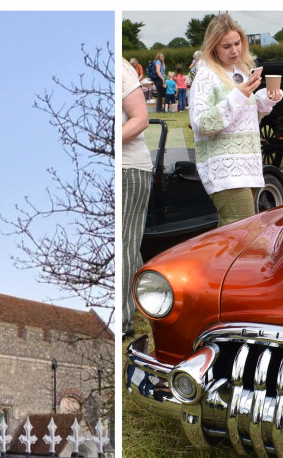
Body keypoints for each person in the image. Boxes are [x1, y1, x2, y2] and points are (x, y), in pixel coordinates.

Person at [189, 14, 282, 227]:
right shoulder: (206, 76)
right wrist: (240, 95)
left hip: (248, 167)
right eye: (227, 46)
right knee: (240, 236)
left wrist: (264, 100)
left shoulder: (239, 72)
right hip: (226, 170)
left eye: (238, 43)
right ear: (213, 47)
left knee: (239, 236)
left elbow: (243, 119)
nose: (234, 50)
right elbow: (201, 124)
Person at [119, 57, 153, 338]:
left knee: (125, 245)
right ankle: (147, 302)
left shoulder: (121, 69)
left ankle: (122, 322)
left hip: (129, 167)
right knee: (128, 245)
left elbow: (141, 119)